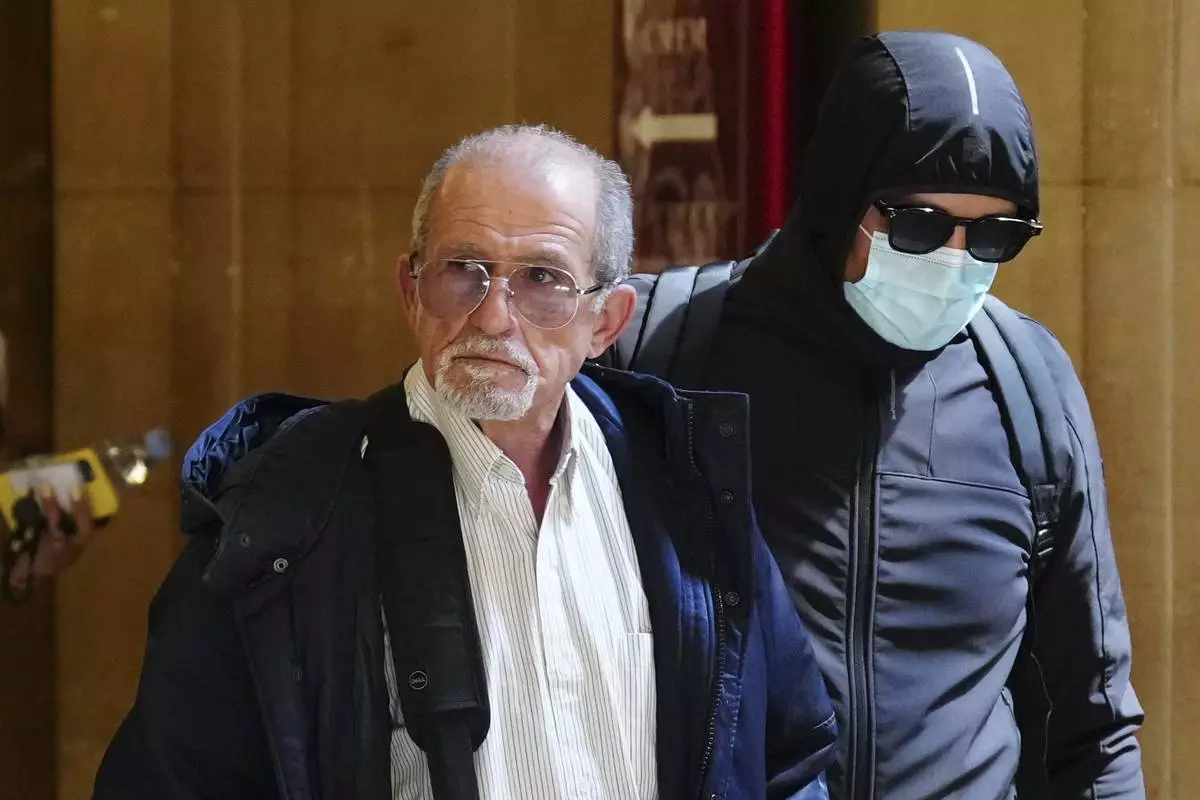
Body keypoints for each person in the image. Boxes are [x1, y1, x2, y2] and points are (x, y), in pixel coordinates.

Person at [93, 125, 837, 799]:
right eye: (462, 269)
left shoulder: (686, 485)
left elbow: (789, 760)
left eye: (542, 279)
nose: (493, 315)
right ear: (410, 291)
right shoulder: (286, 515)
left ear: (606, 322)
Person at [602, 32, 1145, 800]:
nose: (955, 261)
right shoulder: (663, 351)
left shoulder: (1027, 385)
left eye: (994, 236)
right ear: (839, 198)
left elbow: (1092, 718)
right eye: (920, 226)